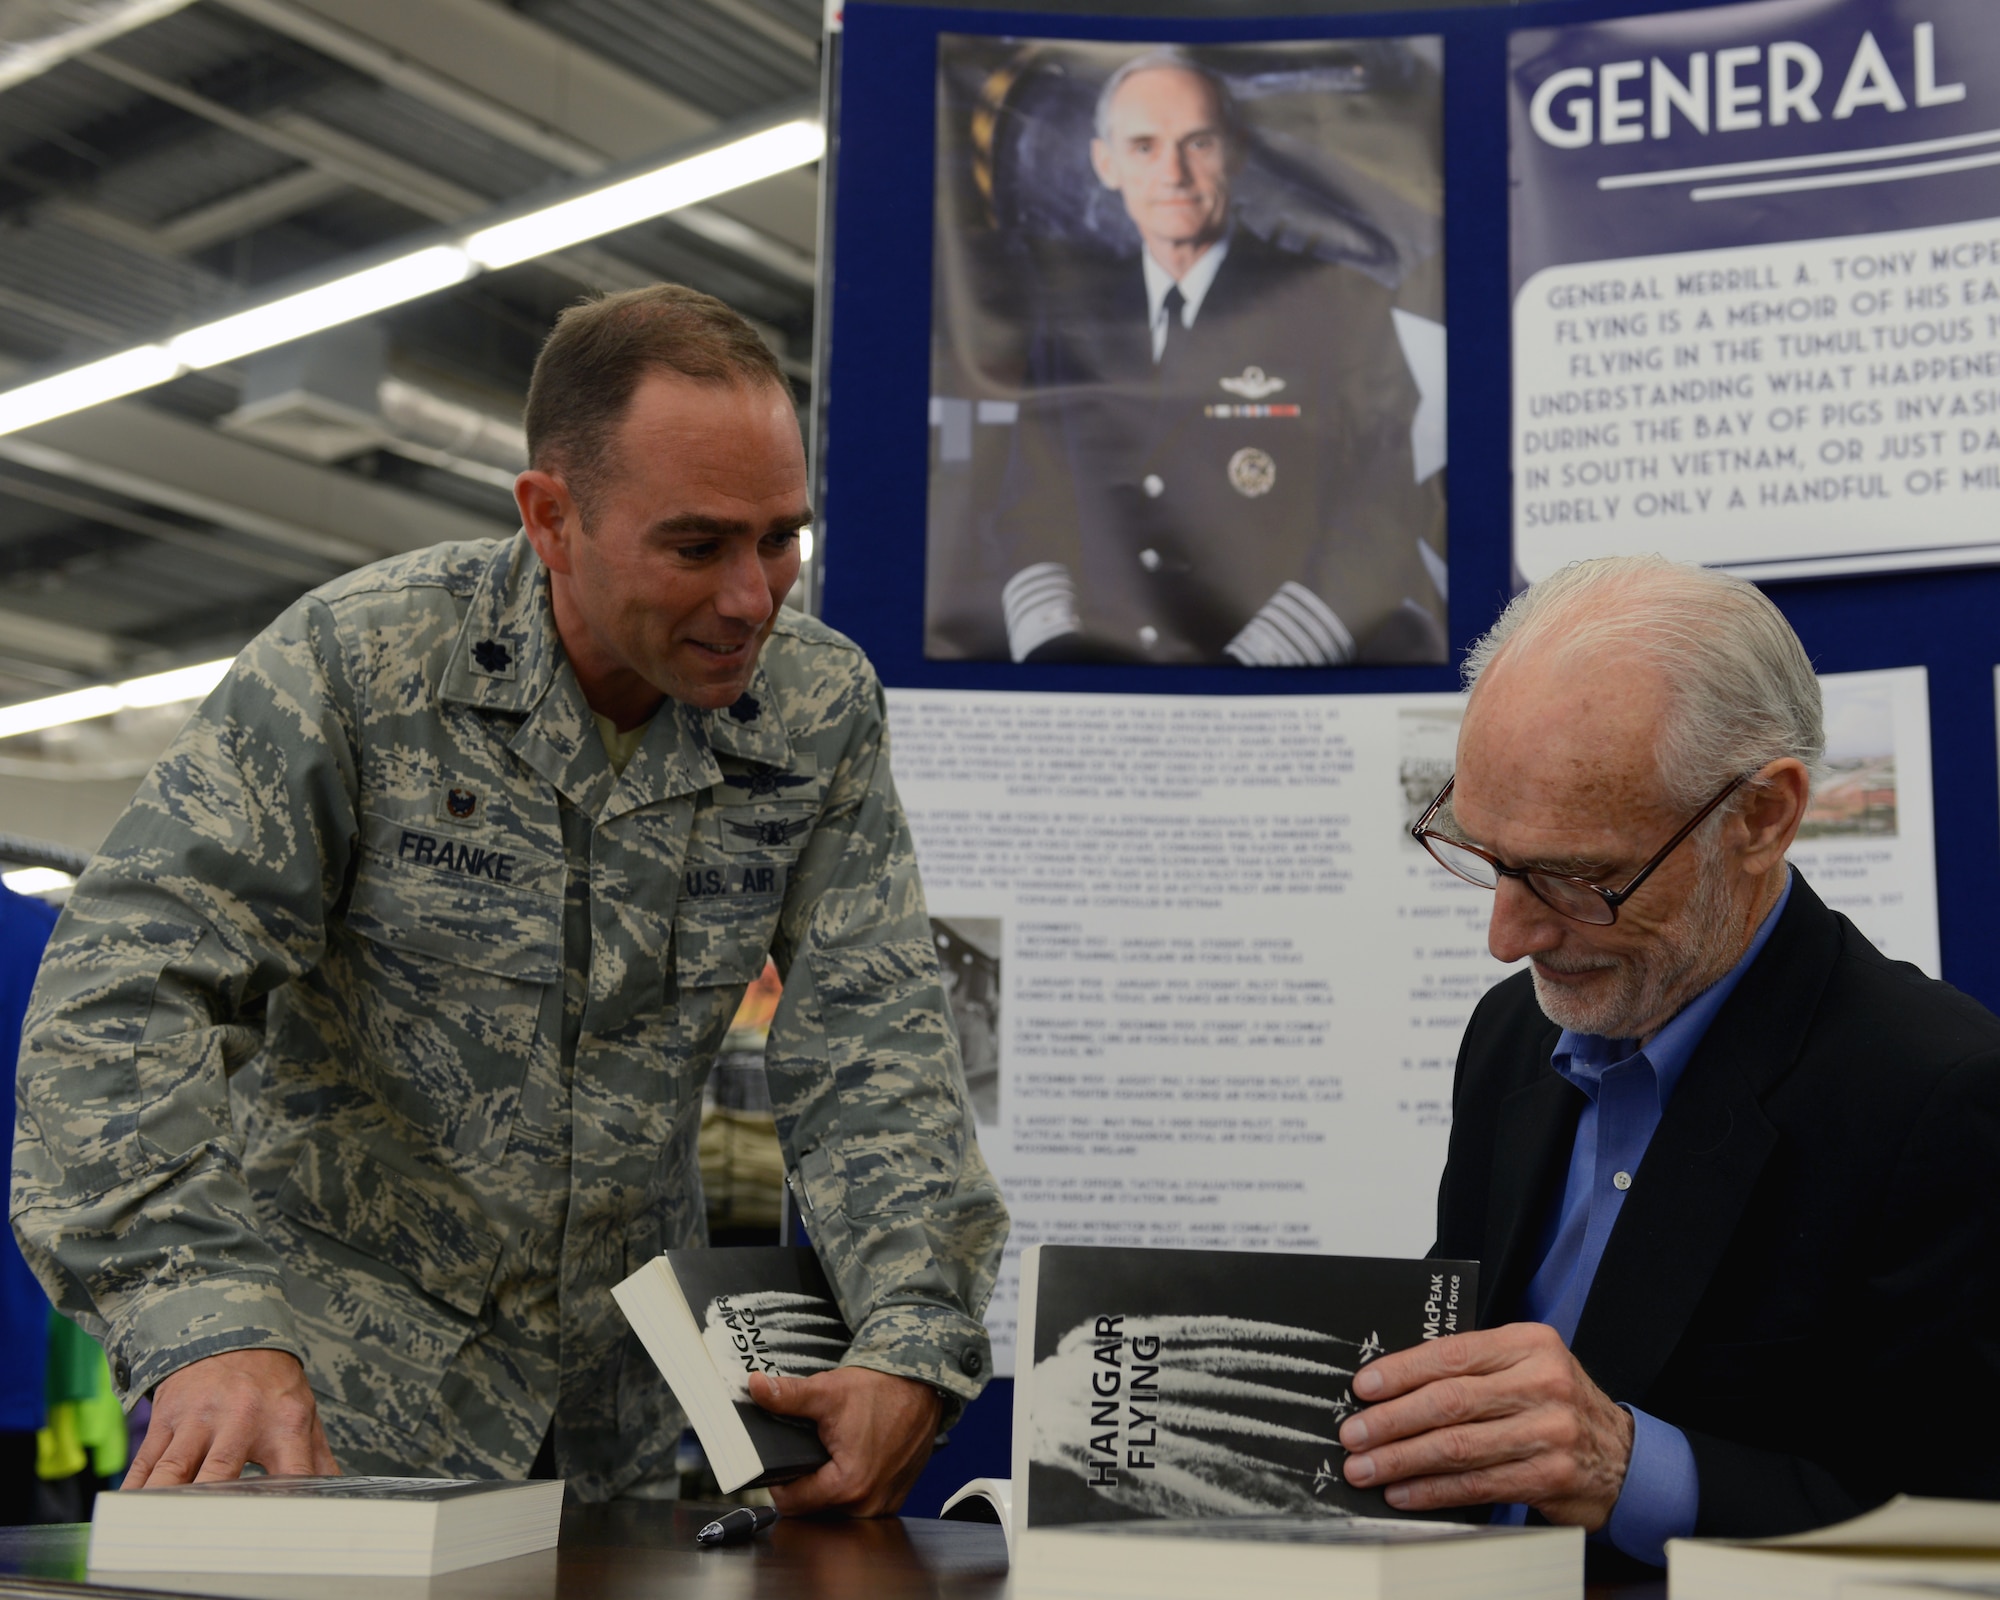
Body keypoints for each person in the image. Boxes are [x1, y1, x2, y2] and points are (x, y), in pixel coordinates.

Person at [10, 285, 1009, 1510]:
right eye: (696, 545)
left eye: (780, 537)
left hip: (616, 1429)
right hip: (319, 1420)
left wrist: (911, 1334)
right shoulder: (358, 669)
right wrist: (200, 1317)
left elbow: (875, 1042)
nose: (753, 597)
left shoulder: (813, 710)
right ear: (550, 516)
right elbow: (120, 1002)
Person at [1335, 555, 2000, 1564]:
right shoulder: (1507, 1039)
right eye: (1483, 855)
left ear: (1761, 816)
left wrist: (1629, 1468)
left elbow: (1956, 1541)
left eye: (1571, 876)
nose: (1505, 937)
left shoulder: (1938, 1097)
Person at [988, 47, 1446, 667]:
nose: (1173, 173)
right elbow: (1030, 506)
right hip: (1104, 682)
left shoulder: (1342, 305)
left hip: (1282, 681)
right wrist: (1055, 647)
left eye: (1197, 143)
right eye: (1144, 146)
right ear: (1107, 163)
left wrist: (1257, 666)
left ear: (1237, 150)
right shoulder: (1074, 323)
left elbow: (1383, 511)